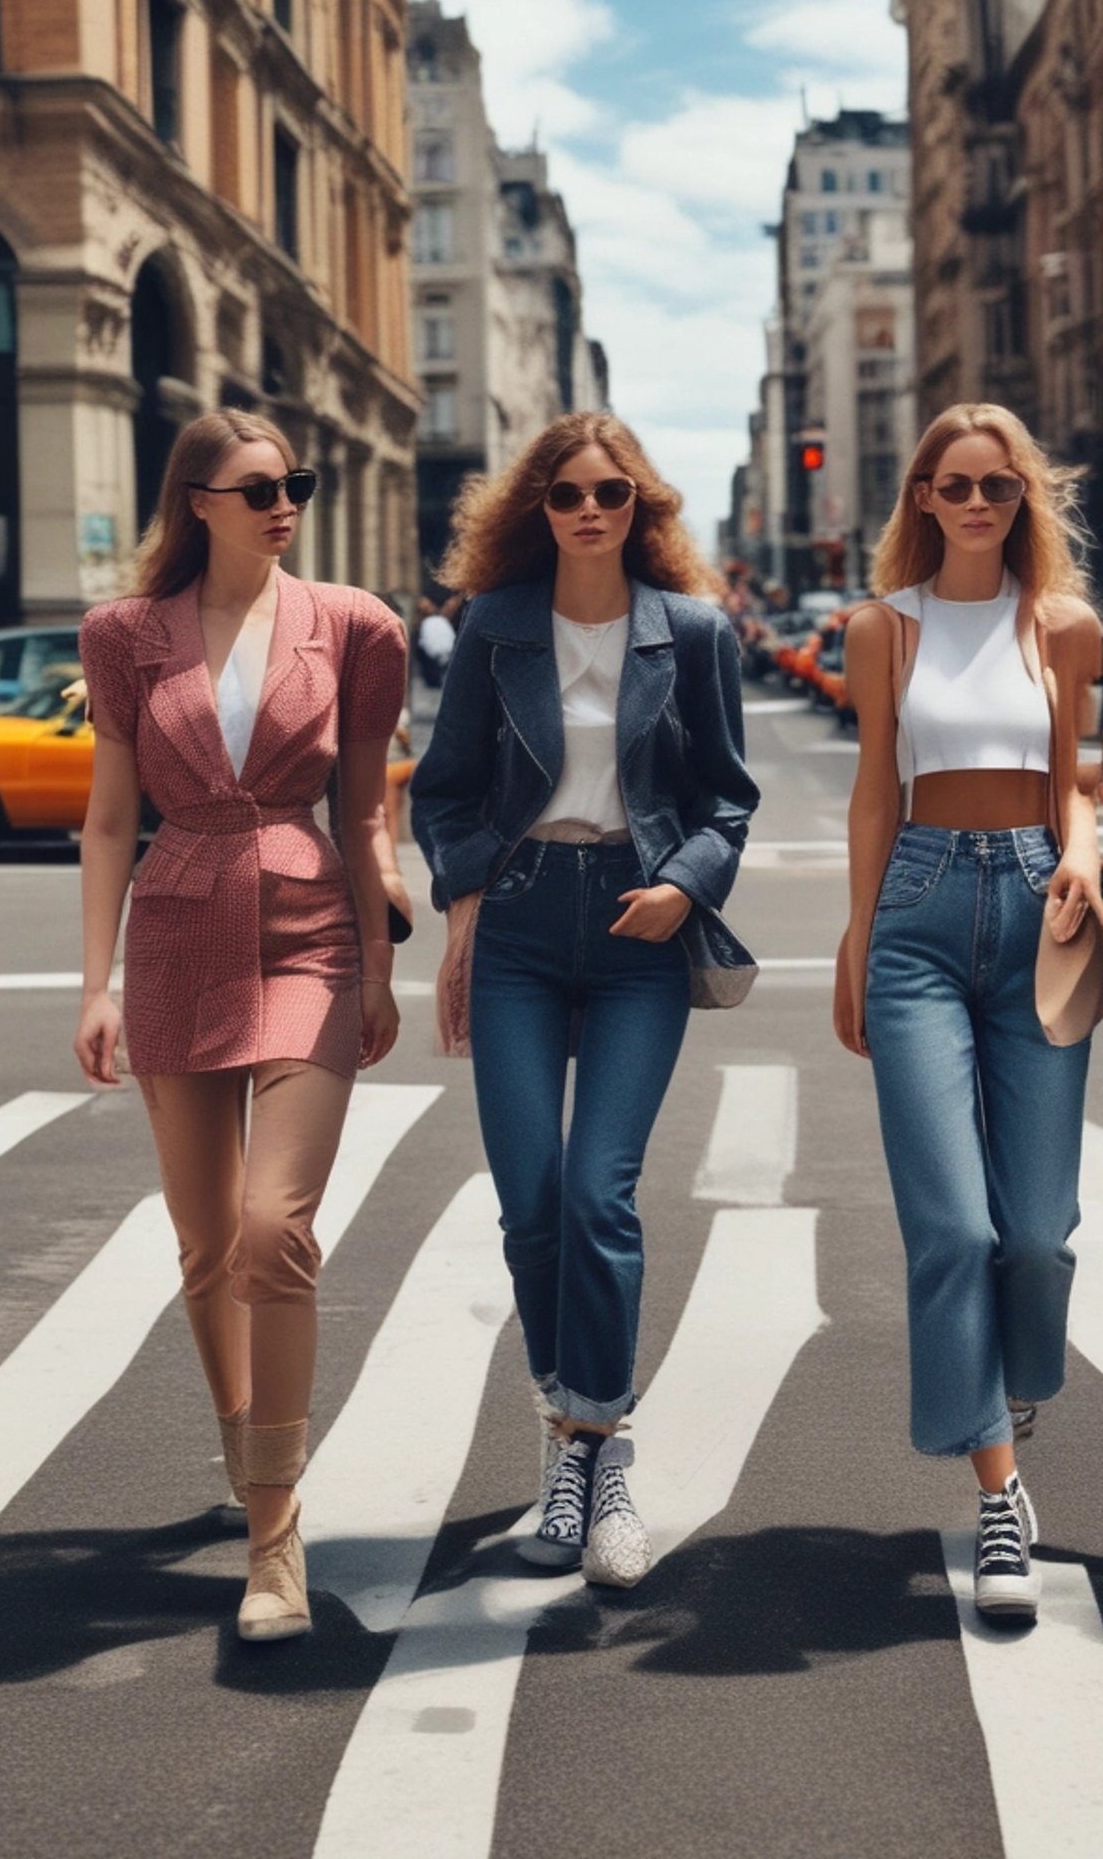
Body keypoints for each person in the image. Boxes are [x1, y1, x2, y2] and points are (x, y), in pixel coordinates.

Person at [72, 408, 409, 1644]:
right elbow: (111, 820)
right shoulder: (123, 636)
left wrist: (378, 965)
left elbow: (368, 810)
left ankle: (276, 1536)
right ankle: (242, 1442)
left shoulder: (356, 626)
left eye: (298, 485)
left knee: (275, 1229)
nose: (287, 505)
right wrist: (95, 983)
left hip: (311, 927)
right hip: (170, 931)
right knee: (207, 1245)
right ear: (198, 502)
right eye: (261, 487)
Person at [410, 412, 759, 1590]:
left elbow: (728, 800)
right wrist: (463, 905)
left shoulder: (695, 633)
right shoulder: (495, 629)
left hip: (635, 928)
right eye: (567, 495)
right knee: (533, 1204)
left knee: (601, 1192)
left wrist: (682, 885)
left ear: (641, 507)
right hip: (516, 921)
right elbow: (445, 793)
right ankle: (570, 1421)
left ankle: (597, 1456)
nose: (591, 511)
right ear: (539, 510)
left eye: (612, 493)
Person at [834, 403, 1103, 1622]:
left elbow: (1078, 785)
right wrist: (856, 938)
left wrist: (1084, 860)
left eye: (999, 485)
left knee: (1037, 1235)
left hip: (1039, 905)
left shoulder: (1065, 628)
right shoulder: (883, 628)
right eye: (956, 485)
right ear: (924, 499)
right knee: (954, 1229)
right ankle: (996, 1492)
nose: (979, 502)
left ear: (1025, 497)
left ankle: (1009, 1376)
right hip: (921, 917)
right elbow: (872, 791)